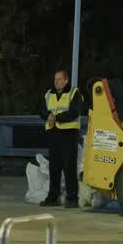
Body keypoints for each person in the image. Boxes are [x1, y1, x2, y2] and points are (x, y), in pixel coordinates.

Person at [39, 70, 83, 208]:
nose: (56, 82)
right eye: (55, 79)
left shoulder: (74, 93)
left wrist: (56, 117)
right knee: (54, 167)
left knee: (69, 166)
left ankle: (72, 198)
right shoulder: (48, 93)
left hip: (69, 133)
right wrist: (48, 115)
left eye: (59, 79)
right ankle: (53, 197)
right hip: (54, 133)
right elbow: (40, 109)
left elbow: (74, 112)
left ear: (66, 80)